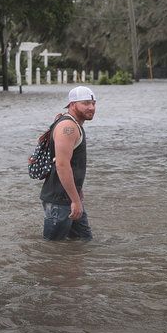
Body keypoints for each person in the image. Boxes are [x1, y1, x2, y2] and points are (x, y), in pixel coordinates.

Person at [40, 86, 97, 240]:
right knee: (53, 247)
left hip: (69, 197)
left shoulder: (73, 124)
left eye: (93, 103)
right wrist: (75, 200)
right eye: (85, 103)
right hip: (60, 200)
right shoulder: (68, 127)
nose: (91, 107)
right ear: (72, 104)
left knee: (83, 242)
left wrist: (77, 192)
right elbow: (62, 165)